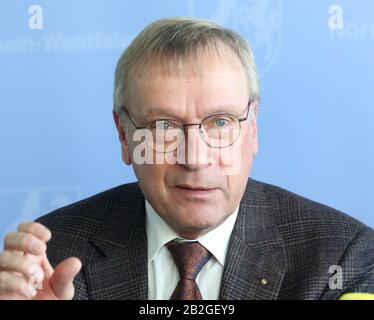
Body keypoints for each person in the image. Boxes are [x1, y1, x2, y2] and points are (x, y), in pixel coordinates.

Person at [0, 17, 373, 300]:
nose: (195, 157)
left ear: (253, 127)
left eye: (221, 122)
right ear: (123, 134)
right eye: (164, 126)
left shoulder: (342, 256)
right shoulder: (54, 258)